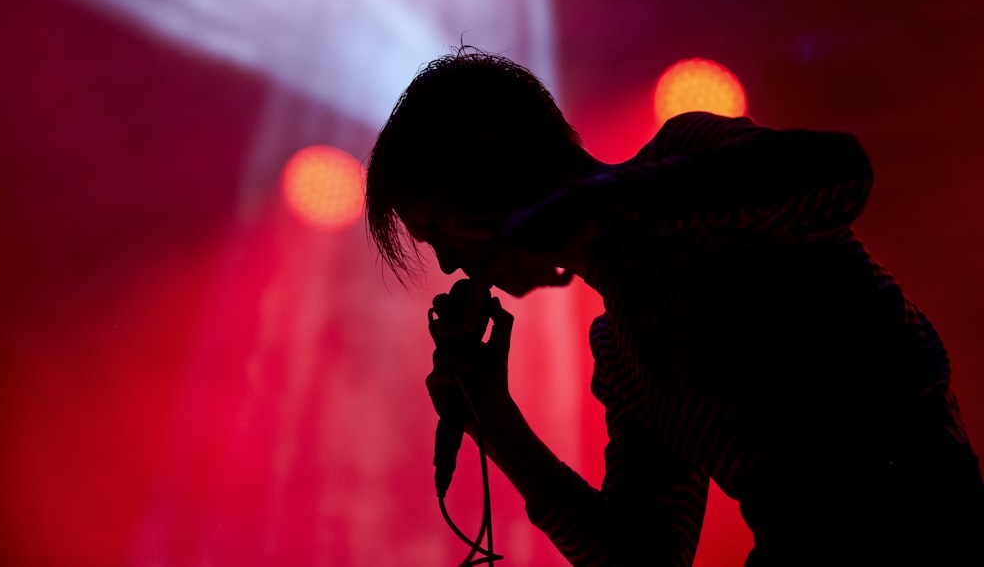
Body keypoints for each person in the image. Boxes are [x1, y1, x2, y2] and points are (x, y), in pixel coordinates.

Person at [363, 46, 984, 566]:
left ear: (489, 149)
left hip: (927, 515)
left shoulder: (683, 155)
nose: (447, 263)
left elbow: (839, 173)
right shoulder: (619, 355)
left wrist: (599, 207)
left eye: (440, 226)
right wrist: (500, 427)